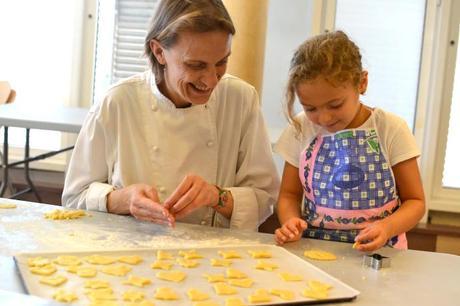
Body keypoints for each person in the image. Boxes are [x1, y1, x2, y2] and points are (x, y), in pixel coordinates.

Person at [62, 0, 279, 231]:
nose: (211, 80)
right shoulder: (117, 103)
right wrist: (123, 199)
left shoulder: (241, 99)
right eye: (196, 65)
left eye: (221, 62)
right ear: (159, 52)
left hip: (216, 256)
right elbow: (74, 199)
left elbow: (264, 199)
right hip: (132, 252)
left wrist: (217, 196)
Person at [273, 31, 425, 252]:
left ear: (362, 83)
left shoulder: (390, 129)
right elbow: (289, 195)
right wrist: (290, 221)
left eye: (335, 105)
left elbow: (416, 201)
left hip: (379, 251)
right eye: (310, 108)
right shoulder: (301, 128)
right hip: (315, 247)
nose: (324, 118)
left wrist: (387, 227)